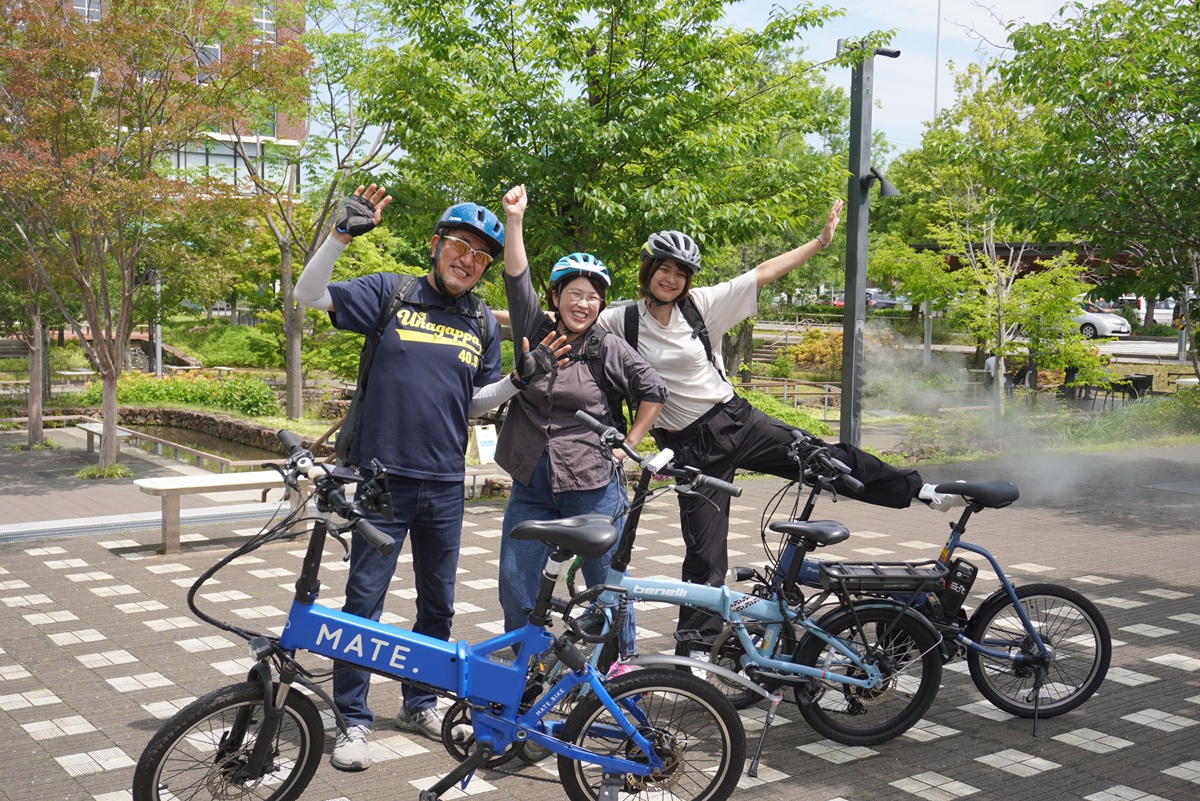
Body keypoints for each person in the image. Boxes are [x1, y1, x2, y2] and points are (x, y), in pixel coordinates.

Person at [294, 185, 566, 771]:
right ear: (436, 244)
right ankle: (353, 719)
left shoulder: (480, 320)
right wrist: (340, 236)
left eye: (481, 255)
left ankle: (419, 702)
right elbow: (307, 294)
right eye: (459, 246)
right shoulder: (391, 292)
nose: (468, 259)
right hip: (381, 481)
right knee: (362, 603)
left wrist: (518, 381)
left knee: (438, 604)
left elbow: (474, 402)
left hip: (445, 483)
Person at [594, 202, 959, 623]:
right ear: (648, 270)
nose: (671, 279)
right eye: (664, 269)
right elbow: (569, 320)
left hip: (736, 421)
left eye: (681, 272)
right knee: (703, 554)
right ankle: (694, 646)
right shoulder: (620, 321)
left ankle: (921, 490)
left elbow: (763, 271)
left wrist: (820, 242)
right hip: (690, 449)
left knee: (824, 458)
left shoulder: (701, 305)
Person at [495, 184, 667, 662]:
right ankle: (526, 667)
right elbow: (516, 279)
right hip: (531, 482)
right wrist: (514, 221)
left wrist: (628, 444)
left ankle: (621, 670)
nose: (583, 304)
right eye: (574, 293)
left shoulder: (608, 346)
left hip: (593, 484)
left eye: (592, 297)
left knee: (607, 587)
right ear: (556, 296)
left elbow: (654, 390)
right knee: (516, 584)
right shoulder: (535, 330)